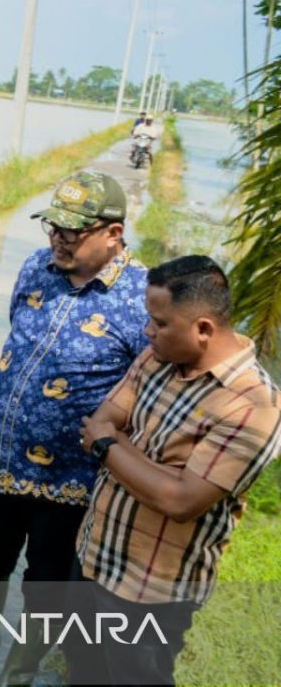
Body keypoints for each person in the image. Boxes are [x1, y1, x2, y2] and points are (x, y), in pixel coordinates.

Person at [0, 171, 149, 683]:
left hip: (71, 481)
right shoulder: (35, 267)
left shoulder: (142, 297)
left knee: (48, 585)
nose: (58, 239)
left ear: (113, 233)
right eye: (53, 227)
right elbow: (18, 338)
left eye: (73, 231)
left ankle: (18, 674)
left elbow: (145, 393)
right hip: (2, 460)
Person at [69, 256, 280, 685]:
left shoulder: (252, 406)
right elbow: (101, 420)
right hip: (93, 556)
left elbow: (180, 501)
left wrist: (110, 447)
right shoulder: (157, 358)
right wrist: (152, 470)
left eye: (160, 322)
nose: (149, 331)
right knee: (82, 670)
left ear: (203, 329)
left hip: (151, 591)